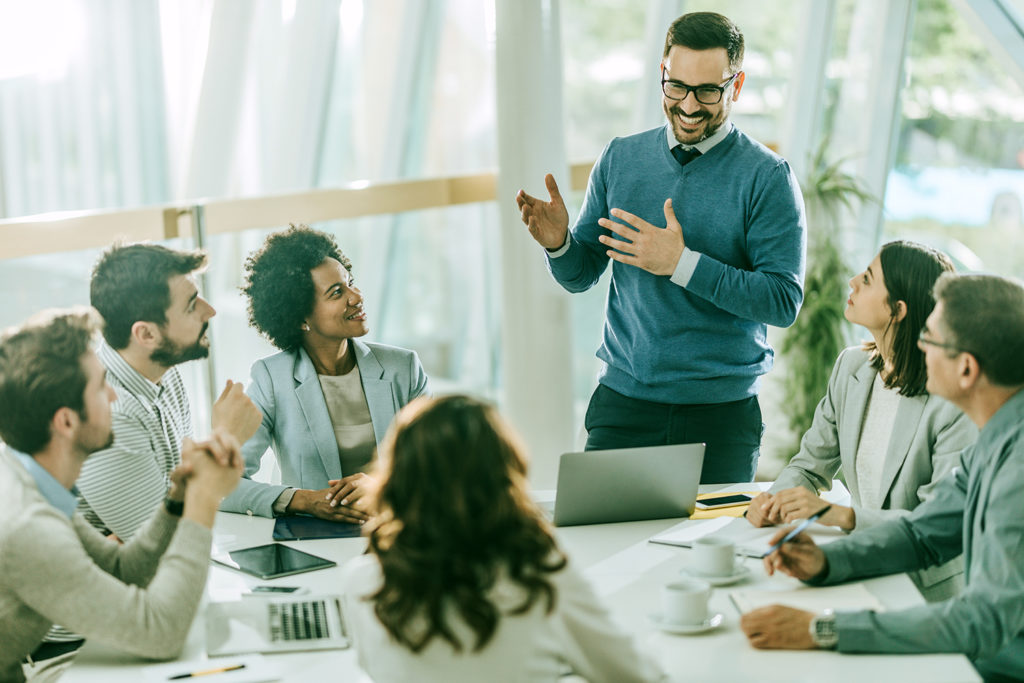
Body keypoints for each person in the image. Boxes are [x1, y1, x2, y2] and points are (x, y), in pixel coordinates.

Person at [515, 12, 806, 483]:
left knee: (712, 555)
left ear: (737, 85)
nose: (689, 105)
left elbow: (782, 300)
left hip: (721, 416)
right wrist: (560, 246)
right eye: (677, 87)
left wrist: (681, 263)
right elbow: (582, 273)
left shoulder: (768, 178)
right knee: (601, 547)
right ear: (662, 76)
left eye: (708, 91)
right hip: (623, 405)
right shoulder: (619, 158)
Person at [739, 273, 1024, 682]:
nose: (918, 344)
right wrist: (827, 560)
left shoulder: (1018, 467)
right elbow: (923, 534)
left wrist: (824, 628)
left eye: (930, 336)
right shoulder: (998, 436)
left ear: (966, 369)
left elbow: (983, 621)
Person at [340, 395, 666, 683]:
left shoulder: (361, 583)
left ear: (397, 478)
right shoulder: (538, 573)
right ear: (505, 472)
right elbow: (635, 675)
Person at [0, 308, 244, 683]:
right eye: (100, 386)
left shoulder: (32, 481)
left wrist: (178, 502)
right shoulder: (26, 524)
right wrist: (204, 501)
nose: (113, 394)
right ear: (66, 421)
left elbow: (120, 569)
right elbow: (160, 633)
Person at [745, 241, 976, 600]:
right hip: (859, 562)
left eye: (867, 279)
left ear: (897, 310)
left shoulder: (950, 402)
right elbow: (809, 467)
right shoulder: (852, 368)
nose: (852, 282)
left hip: (924, 585)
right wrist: (773, 502)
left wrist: (843, 517)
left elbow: (937, 524)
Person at [220, 225, 429, 521]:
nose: (356, 297)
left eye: (351, 283)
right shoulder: (271, 379)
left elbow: (438, 466)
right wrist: (304, 500)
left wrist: (382, 486)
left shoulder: (403, 368)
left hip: (399, 531)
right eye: (337, 292)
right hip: (311, 542)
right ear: (300, 316)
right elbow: (223, 484)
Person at [79, 242, 261, 539]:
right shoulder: (111, 414)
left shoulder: (164, 374)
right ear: (146, 334)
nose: (210, 310)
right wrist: (226, 438)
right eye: (191, 305)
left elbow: (175, 498)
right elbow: (165, 542)